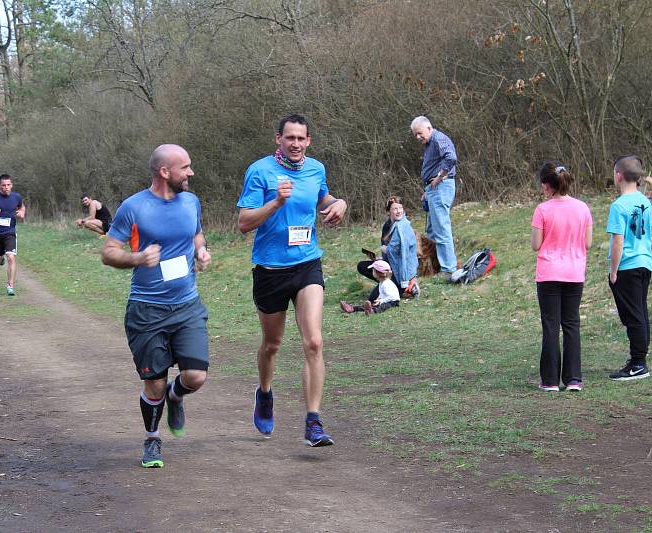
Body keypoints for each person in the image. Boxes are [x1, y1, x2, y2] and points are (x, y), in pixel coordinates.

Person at [237, 113, 347, 447]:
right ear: (278, 139)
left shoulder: (316, 169)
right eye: (290, 138)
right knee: (272, 344)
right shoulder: (259, 171)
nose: (295, 144)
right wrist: (276, 202)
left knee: (314, 341)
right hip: (270, 269)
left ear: (308, 141)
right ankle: (265, 393)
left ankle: (313, 421)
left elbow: (322, 197)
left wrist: (338, 203)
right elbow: (244, 222)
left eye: (301, 138)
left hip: (307, 264)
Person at [101, 144, 211, 469]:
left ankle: (176, 396)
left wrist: (201, 252)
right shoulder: (134, 208)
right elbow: (108, 251)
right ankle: (152, 438)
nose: (191, 173)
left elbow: (197, 235)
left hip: (187, 305)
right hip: (147, 310)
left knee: (196, 377)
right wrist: (137, 257)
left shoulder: (191, 202)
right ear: (165, 172)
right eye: (185, 167)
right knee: (155, 383)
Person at [530, 162, 592, 392]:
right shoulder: (583, 208)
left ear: (547, 186)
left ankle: (550, 381)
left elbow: (536, 245)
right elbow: (588, 242)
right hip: (574, 273)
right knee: (571, 324)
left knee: (550, 325)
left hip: (549, 274)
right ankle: (574, 379)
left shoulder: (542, 210)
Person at [607, 155, 652, 381]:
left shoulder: (618, 206)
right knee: (641, 313)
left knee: (633, 316)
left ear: (618, 176)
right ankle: (639, 358)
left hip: (627, 266)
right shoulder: (645, 201)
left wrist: (613, 270)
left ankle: (638, 363)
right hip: (646, 264)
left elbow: (618, 241)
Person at [411, 116, 458, 278]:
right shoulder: (430, 143)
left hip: (441, 187)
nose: (417, 137)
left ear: (429, 128)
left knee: (441, 229)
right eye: (415, 135)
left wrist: (439, 178)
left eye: (419, 133)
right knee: (431, 230)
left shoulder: (439, 139)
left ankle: (449, 268)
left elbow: (451, 158)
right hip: (433, 189)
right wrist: (428, 190)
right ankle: (434, 266)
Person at [356, 196, 420, 299]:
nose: (399, 211)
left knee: (373, 299)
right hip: (389, 266)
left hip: (401, 271)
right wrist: (380, 259)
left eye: (400, 208)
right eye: (395, 209)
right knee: (362, 266)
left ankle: (405, 286)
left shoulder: (403, 227)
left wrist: (387, 250)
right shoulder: (387, 226)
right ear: (388, 212)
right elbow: (388, 251)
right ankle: (386, 282)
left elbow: (404, 254)